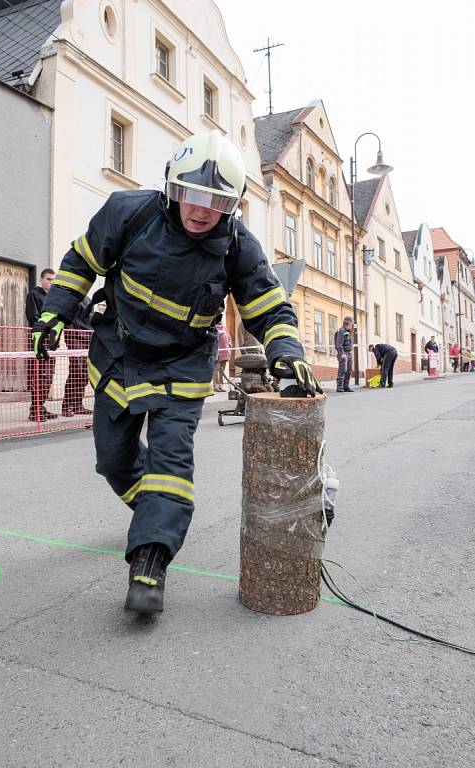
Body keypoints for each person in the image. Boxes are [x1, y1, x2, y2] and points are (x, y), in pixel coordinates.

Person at [31, 131, 323, 614]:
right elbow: (81, 263)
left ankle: (151, 559)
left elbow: (270, 308)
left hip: (181, 371)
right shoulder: (129, 213)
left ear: (232, 205)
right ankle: (153, 513)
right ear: (172, 186)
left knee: (170, 464)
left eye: (217, 200)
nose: (201, 208)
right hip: (118, 359)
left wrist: (287, 352)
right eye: (192, 193)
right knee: (113, 462)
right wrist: (54, 312)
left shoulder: (238, 246)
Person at [25, 269, 58, 421]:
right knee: (39, 375)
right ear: (42, 279)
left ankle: (41, 406)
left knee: (49, 376)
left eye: (53, 280)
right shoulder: (34, 294)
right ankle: (35, 410)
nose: (51, 283)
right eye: (49, 279)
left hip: (52, 340)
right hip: (39, 338)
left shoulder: (54, 298)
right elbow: (33, 317)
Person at [62, 297, 93, 416]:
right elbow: (66, 319)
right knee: (77, 371)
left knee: (85, 373)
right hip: (75, 337)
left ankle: (77, 404)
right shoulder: (70, 298)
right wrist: (70, 334)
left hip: (88, 337)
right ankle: (67, 406)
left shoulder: (88, 300)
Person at [335, 316, 354, 392]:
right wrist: (341, 353)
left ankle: (346, 386)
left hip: (348, 353)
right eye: (351, 324)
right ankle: (339, 387)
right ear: (348, 323)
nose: (352, 326)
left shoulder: (348, 332)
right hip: (343, 353)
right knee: (343, 370)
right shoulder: (341, 331)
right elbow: (338, 344)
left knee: (349, 370)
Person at [214, 321, 232, 391]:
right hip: (217, 353)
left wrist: (230, 345)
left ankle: (221, 386)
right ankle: (215, 386)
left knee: (222, 371)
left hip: (225, 352)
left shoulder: (224, 327)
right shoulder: (214, 328)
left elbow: (229, 337)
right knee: (216, 370)